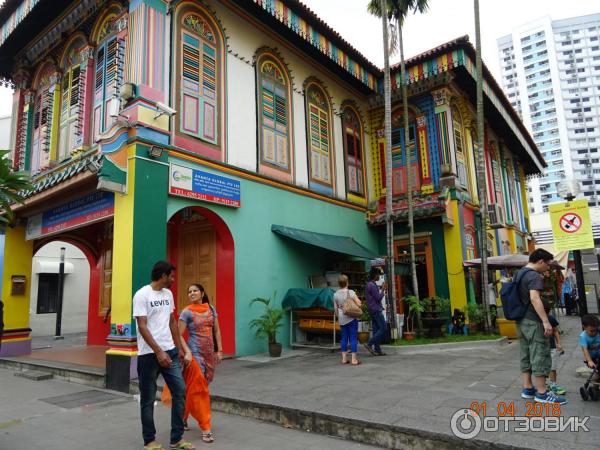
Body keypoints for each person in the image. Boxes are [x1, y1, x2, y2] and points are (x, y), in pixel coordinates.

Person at [133, 261, 195, 450]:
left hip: (170, 351)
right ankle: (149, 440)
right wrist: (158, 351)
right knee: (148, 398)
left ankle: (176, 438)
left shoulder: (168, 294)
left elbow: (172, 323)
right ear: (163, 276)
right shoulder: (142, 295)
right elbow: (142, 326)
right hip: (149, 355)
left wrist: (180, 349)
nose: (173, 280)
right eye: (171, 276)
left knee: (180, 391)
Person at [516, 248, 566, 405]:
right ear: (540, 261)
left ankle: (528, 388)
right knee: (540, 353)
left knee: (525, 352)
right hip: (533, 320)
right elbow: (534, 298)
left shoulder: (519, 274)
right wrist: (545, 320)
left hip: (521, 321)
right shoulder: (533, 276)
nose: (548, 268)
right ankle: (542, 393)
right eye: (548, 264)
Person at [177, 284, 223, 443]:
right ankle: (206, 428)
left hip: (209, 354)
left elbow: (216, 330)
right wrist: (187, 352)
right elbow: (178, 334)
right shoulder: (186, 312)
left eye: (195, 290)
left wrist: (220, 350)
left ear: (202, 293)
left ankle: (182, 416)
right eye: (189, 291)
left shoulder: (211, 308)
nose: (192, 293)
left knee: (196, 387)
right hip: (194, 355)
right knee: (199, 389)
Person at [333, 274, 361, 365]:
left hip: (341, 318)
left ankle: (344, 359)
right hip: (352, 317)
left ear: (339, 283)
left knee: (344, 338)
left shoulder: (335, 294)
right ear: (347, 282)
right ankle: (354, 360)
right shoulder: (351, 292)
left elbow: (335, 309)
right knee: (353, 338)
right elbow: (359, 303)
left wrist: (339, 317)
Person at [363, 267, 386, 356]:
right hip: (376, 310)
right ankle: (369, 344)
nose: (379, 276)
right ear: (375, 275)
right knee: (383, 328)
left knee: (377, 330)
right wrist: (383, 289)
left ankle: (377, 349)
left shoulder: (370, 284)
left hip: (372, 310)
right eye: (379, 274)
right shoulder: (372, 285)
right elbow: (378, 298)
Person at [544, 304, 566, 395]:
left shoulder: (551, 318)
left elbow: (556, 331)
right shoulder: (535, 320)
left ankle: (553, 385)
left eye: (547, 311)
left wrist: (559, 343)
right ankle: (544, 385)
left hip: (551, 346)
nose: (546, 313)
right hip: (540, 347)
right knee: (542, 367)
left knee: (553, 367)